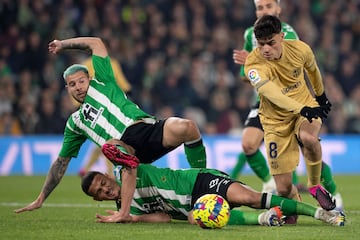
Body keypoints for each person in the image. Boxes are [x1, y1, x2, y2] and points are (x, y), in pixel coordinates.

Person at [14, 37, 207, 224]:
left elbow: (96, 43)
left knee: (187, 126)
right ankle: (124, 213)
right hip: (125, 148)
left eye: (81, 81)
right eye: (72, 85)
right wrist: (41, 198)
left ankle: (203, 179)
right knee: (112, 148)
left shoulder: (103, 80)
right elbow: (61, 163)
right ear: (67, 89)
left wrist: (63, 45)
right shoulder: (75, 122)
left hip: (146, 129)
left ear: (89, 78)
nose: (78, 87)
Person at [232, 0, 343, 211]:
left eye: (271, 43)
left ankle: (315, 186)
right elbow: (270, 93)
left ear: (281, 37)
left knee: (308, 138)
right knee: (283, 189)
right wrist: (302, 108)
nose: (265, 48)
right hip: (274, 118)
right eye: (261, 43)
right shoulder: (253, 64)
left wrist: (321, 97)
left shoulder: (299, 48)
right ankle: (295, 208)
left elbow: (313, 69)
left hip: (303, 104)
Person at [81, 163, 345, 226]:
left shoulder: (125, 171)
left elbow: (128, 162)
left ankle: (321, 213)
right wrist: (135, 219)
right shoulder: (128, 207)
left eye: (102, 182)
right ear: (98, 199)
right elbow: (162, 217)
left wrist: (124, 212)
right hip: (190, 208)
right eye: (100, 192)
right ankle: (266, 218)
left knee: (249, 198)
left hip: (197, 181)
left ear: (106, 176)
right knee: (200, 219)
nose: (105, 188)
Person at [78, 55, 132, 177]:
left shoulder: (85, 64)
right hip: (110, 107)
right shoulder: (112, 63)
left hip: (92, 108)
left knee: (102, 141)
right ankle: (110, 173)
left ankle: (85, 169)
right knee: (108, 140)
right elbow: (124, 85)